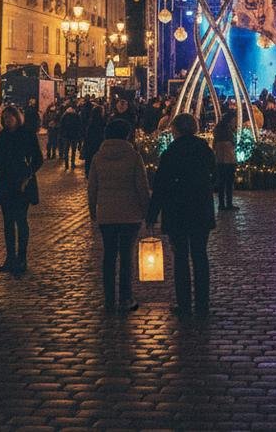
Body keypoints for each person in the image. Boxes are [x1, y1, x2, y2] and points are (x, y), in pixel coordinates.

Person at [146, 112, 216, 318]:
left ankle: (184, 303)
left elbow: (160, 185)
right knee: (200, 256)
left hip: (177, 211)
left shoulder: (171, 152)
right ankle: (202, 303)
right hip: (200, 210)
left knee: (181, 259)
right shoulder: (204, 149)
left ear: (176, 129)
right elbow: (215, 174)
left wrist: (152, 213)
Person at [88, 118, 150, 313]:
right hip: (130, 214)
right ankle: (125, 297)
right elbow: (142, 186)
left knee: (108, 256)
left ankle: (108, 298)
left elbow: (92, 187)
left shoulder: (98, 156)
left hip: (106, 213)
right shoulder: (133, 156)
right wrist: (147, 211)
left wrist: (92, 210)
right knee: (126, 257)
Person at [0, 105, 44, 276]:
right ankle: (10, 257)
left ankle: (22, 257)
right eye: (5, 118)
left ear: (17, 117)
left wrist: (28, 174)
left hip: (23, 181)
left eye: (10, 117)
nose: (8, 120)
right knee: (8, 222)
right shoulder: (2, 136)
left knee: (21, 220)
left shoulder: (27, 134)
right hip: (6, 181)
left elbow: (38, 159)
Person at [212, 110, 238, 211]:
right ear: (230, 120)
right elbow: (232, 144)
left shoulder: (218, 130)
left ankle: (222, 204)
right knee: (228, 182)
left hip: (219, 159)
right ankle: (228, 203)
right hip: (228, 159)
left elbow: (215, 145)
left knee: (222, 182)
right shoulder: (228, 131)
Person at [82, 110, 105, 178]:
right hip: (98, 144)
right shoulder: (102, 122)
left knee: (89, 159)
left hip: (90, 144)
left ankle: (88, 173)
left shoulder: (90, 122)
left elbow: (87, 134)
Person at [60, 104, 83, 170]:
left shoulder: (64, 116)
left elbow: (62, 126)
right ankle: (72, 163)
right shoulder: (76, 115)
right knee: (73, 150)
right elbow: (79, 126)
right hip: (74, 136)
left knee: (66, 150)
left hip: (66, 136)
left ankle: (66, 164)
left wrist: (61, 135)